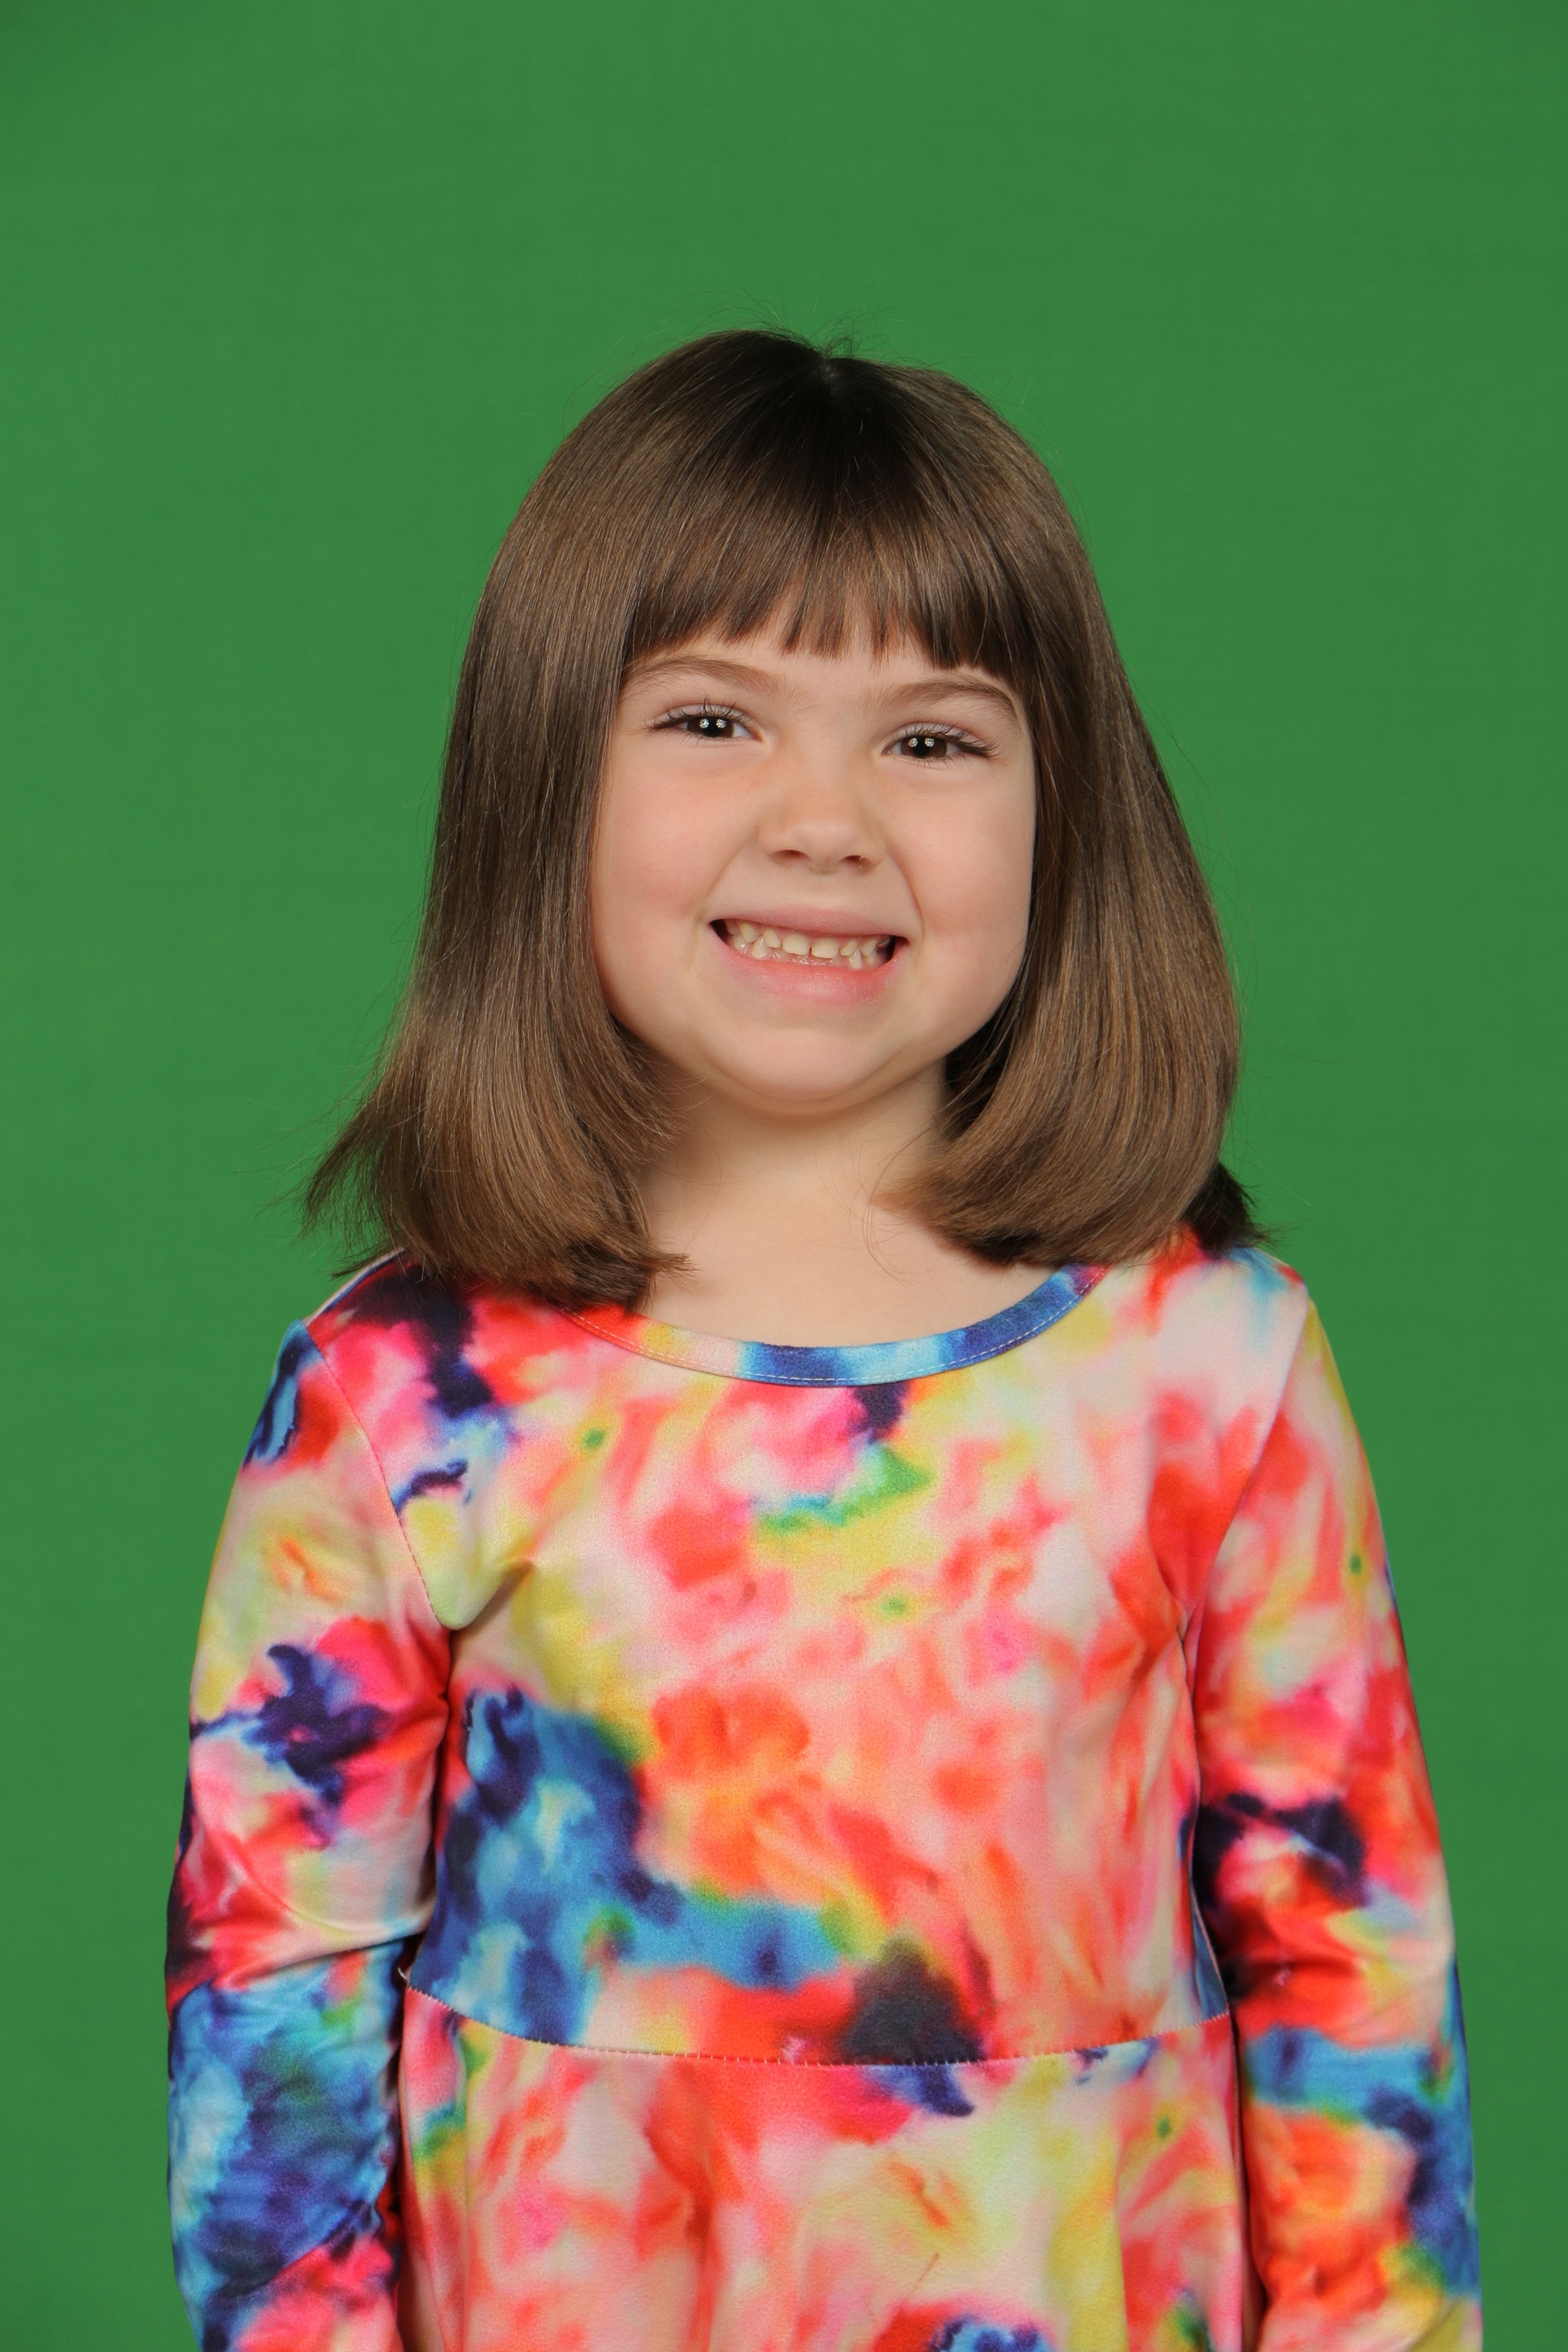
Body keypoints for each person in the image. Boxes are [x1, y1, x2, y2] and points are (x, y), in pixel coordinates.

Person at [166, 330, 1480, 2352]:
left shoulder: (1208, 1369)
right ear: (543, 776)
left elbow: (1351, 1967)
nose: (826, 820)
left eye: (933, 741)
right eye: (714, 719)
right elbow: (276, 2001)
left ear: (1065, 814)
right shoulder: (404, 1398)